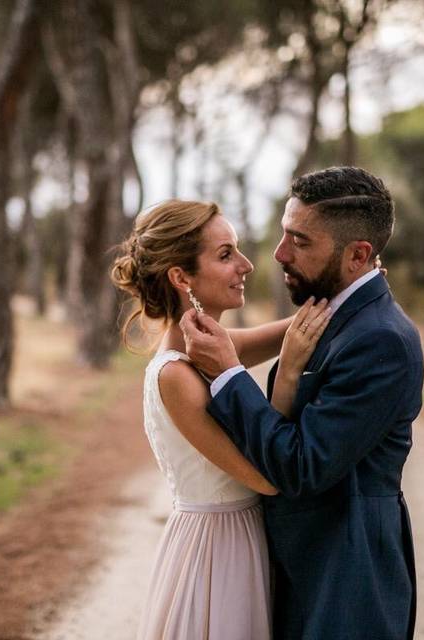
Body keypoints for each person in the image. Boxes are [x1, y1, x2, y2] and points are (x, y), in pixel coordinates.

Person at [181, 166, 424, 640]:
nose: (278, 254)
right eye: (282, 234)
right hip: (298, 568)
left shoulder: (381, 340)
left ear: (358, 256)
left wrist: (229, 375)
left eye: (301, 241)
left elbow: (302, 466)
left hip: (347, 578)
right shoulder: (332, 311)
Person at [110, 199, 333, 640]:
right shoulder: (175, 374)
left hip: (242, 540)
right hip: (216, 553)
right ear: (181, 277)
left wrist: (349, 292)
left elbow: (297, 328)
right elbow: (266, 477)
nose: (246, 265)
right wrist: (286, 374)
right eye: (226, 254)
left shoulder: (209, 345)